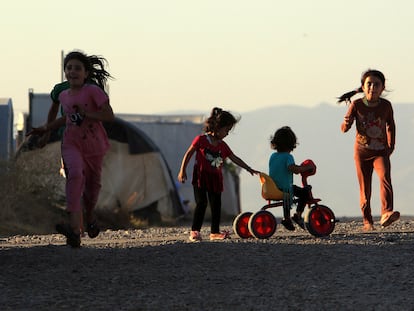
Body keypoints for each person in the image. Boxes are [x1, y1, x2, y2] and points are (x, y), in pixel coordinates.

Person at [27, 50, 115, 247]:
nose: (72, 72)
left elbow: (109, 116)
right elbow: (66, 117)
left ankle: (90, 216)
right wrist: (45, 129)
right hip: (71, 143)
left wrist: (89, 114)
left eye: (77, 68)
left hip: (94, 145)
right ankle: (75, 230)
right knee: (74, 176)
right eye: (69, 68)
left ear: (85, 73)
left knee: (92, 189)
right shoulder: (63, 93)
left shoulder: (94, 91)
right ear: (64, 71)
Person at [178, 107, 258, 242]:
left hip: (215, 179)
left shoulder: (223, 146)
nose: (227, 133)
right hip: (201, 177)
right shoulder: (201, 140)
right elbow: (189, 153)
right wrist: (182, 170)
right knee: (201, 203)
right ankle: (195, 231)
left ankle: (214, 232)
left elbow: (235, 158)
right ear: (217, 127)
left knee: (216, 205)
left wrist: (248, 168)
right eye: (226, 130)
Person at [338, 69, 399, 231]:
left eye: (376, 84)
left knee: (385, 178)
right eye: (369, 84)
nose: (373, 87)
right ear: (363, 87)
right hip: (362, 152)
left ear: (382, 87)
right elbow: (344, 129)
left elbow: (390, 125)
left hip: (381, 151)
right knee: (365, 188)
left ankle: (386, 213)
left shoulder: (386, 106)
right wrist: (346, 122)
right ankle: (367, 221)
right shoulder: (356, 105)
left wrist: (391, 146)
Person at [268, 126, 315, 231]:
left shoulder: (273, 156)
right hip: (285, 188)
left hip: (274, 187)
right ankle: (298, 215)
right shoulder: (288, 157)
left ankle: (287, 218)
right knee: (305, 192)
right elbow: (293, 168)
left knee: (288, 194)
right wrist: (306, 168)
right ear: (291, 144)